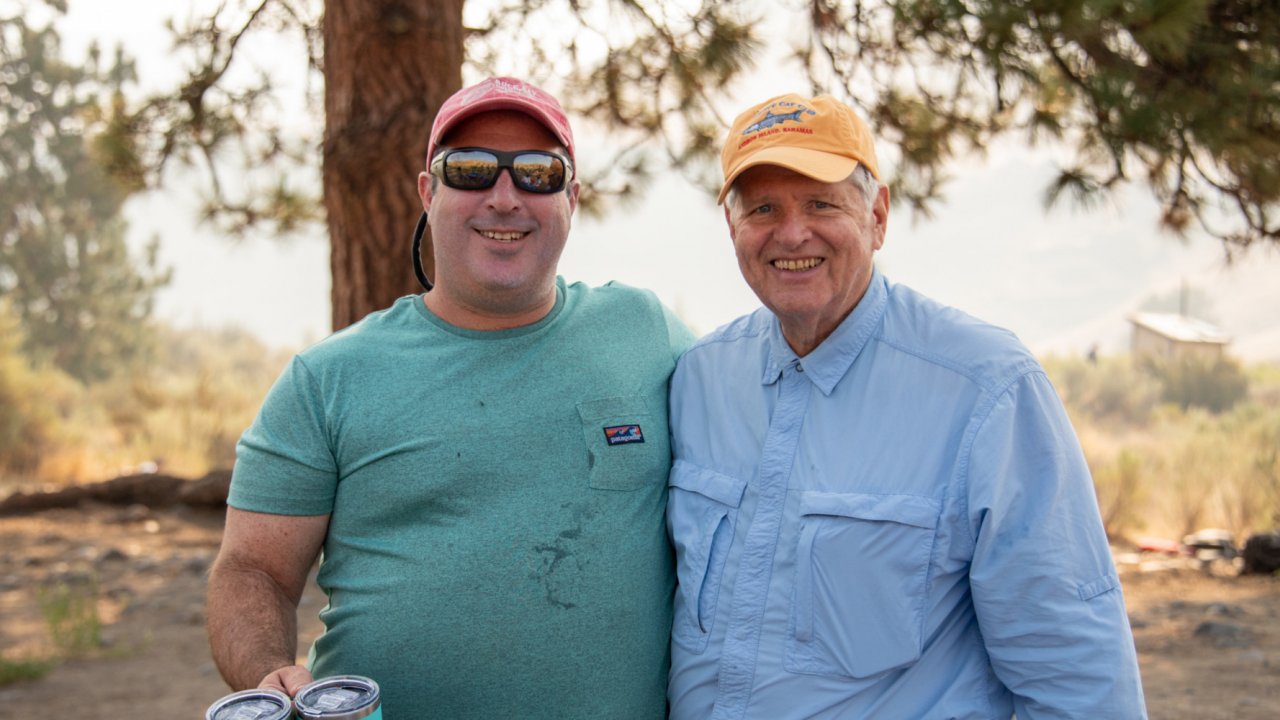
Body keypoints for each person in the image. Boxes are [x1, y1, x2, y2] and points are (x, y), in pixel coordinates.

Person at [207, 76, 694, 718]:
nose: (504, 197)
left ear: (571, 197)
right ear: (427, 192)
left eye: (537, 174)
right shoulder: (326, 379)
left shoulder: (645, 332)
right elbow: (251, 571)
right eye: (469, 170)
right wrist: (270, 673)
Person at [665, 93, 1147, 719]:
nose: (791, 232)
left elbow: (1077, 674)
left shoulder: (986, 389)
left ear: (878, 216)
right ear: (732, 227)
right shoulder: (698, 379)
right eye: (763, 208)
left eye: (820, 203)